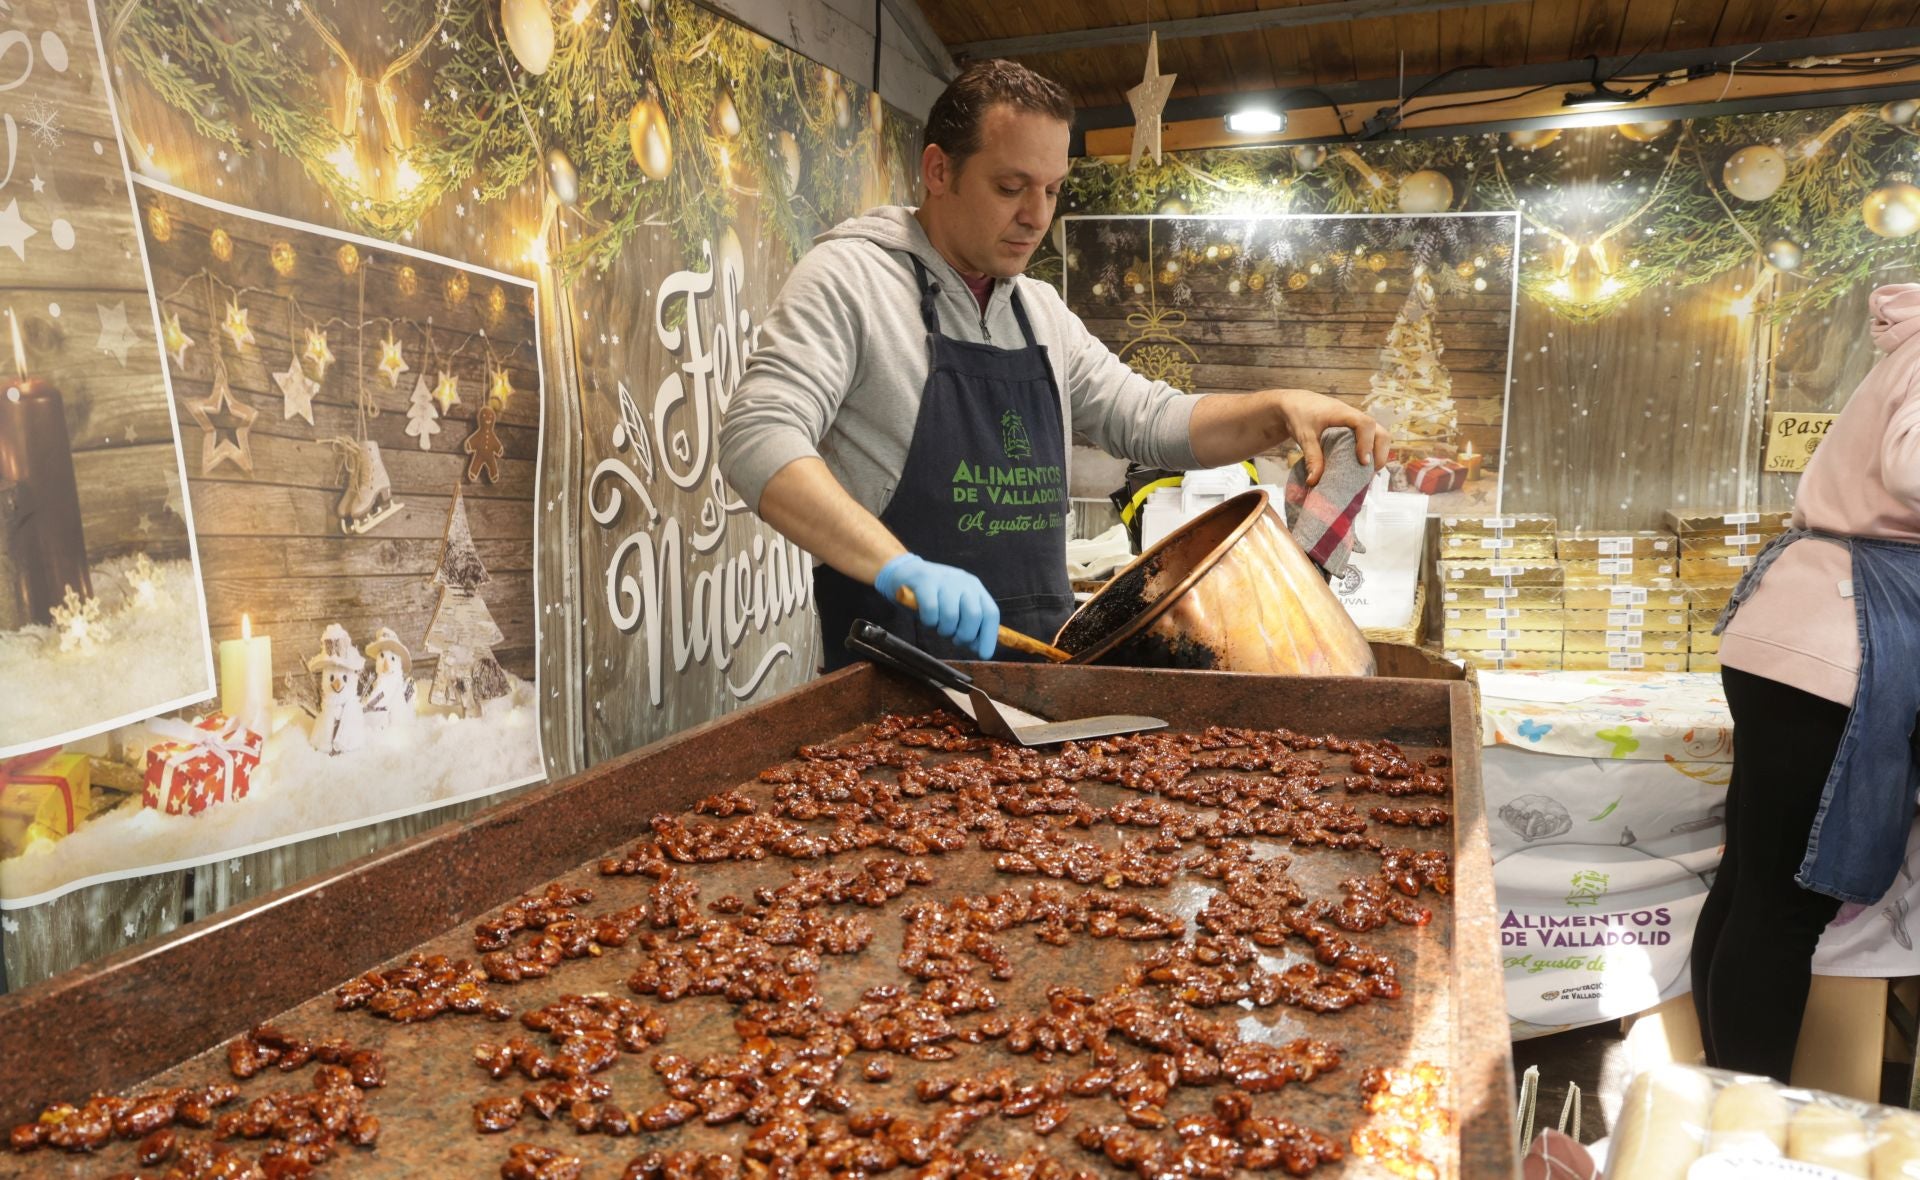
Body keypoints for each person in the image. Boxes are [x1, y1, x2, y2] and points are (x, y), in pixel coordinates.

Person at [718, 60, 1386, 668]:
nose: (1035, 216)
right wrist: (899, 568)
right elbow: (758, 437)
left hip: (1037, 676)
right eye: (1011, 186)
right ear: (939, 171)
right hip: (897, 688)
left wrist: (1278, 411)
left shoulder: (1038, 311)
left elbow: (1147, 419)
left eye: (1052, 189)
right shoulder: (849, 279)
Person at [1694, 284, 1920, 1082]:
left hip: (1802, 629)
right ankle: (1745, 1119)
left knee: (1752, 882)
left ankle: (1723, 1097)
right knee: (1784, 902)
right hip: (1837, 642)